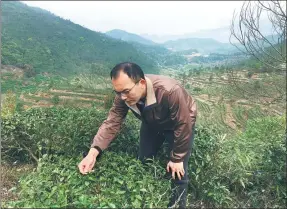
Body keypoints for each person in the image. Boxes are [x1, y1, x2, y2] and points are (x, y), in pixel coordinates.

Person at [78, 62, 197, 208]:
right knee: (144, 159)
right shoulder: (123, 96)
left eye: (126, 91)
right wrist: (93, 153)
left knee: (178, 171)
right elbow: (112, 122)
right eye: (118, 92)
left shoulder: (170, 91)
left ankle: (177, 204)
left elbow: (183, 123)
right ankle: (148, 196)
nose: (122, 97)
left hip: (178, 124)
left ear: (141, 82)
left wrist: (177, 158)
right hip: (151, 122)